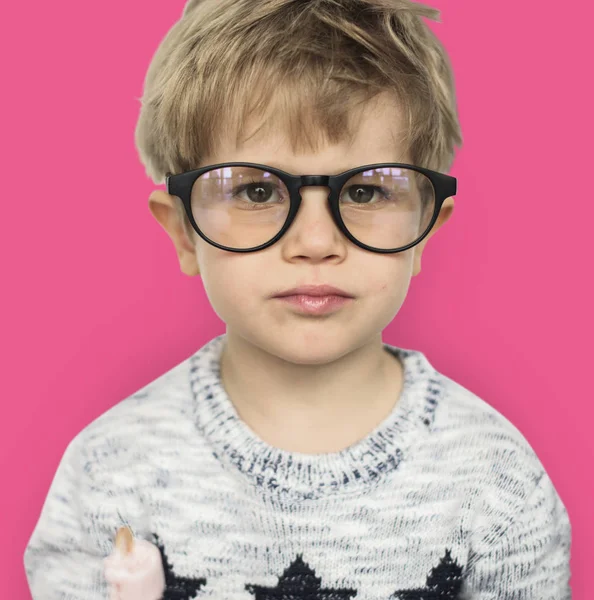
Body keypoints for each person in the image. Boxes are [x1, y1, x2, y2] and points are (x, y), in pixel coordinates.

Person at [23, 0, 572, 598]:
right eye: (257, 191)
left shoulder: (497, 481)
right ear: (183, 232)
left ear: (425, 231)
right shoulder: (110, 471)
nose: (316, 242)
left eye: (365, 190)